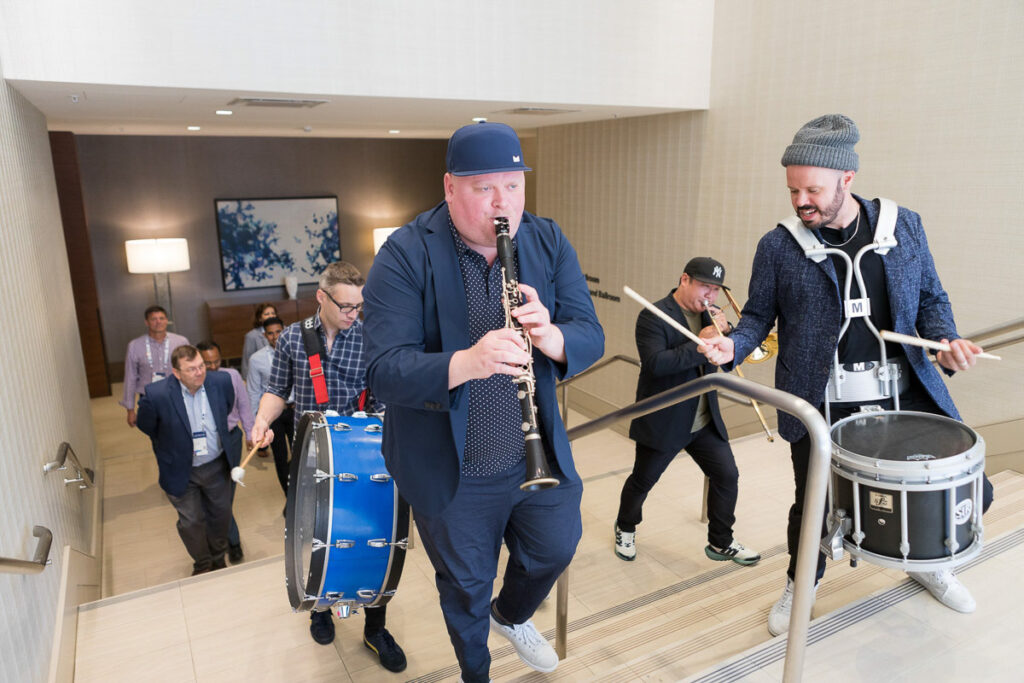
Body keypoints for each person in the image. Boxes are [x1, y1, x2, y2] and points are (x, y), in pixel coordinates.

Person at [698, 114, 994, 636]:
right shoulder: (779, 245)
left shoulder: (905, 227)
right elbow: (755, 318)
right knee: (814, 503)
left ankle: (930, 565)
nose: (800, 201)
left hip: (905, 394)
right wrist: (731, 347)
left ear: (848, 180)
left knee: (945, 486)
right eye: (793, 190)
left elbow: (931, 299)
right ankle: (800, 584)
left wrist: (947, 342)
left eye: (813, 189)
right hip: (820, 402)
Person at [362, 121, 604, 682]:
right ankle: (477, 672)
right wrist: (465, 363)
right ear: (450, 188)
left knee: (556, 547)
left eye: (514, 186)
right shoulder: (404, 253)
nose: (504, 204)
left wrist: (552, 338)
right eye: (484, 188)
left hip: (532, 452)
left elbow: (589, 331)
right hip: (454, 468)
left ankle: (512, 615)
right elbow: (383, 371)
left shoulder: (546, 240)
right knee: (466, 585)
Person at [250, 262, 405, 673]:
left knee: (375, 537)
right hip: (313, 455)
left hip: (366, 451)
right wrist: (263, 421)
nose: (355, 313)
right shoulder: (291, 339)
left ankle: (375, 627)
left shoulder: (372, 336)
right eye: (346, 306)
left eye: (359, 305)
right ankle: (321, 608)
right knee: (313, 533)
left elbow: (387, 394)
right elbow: (277, 390)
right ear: (322, 297)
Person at [614, 257, 760, 567]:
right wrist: (701, 342)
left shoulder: (713, 318)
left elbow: (724, 357)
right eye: (705, 287)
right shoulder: (654, 315)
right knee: (643, 480)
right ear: (685, 280)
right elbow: (656, 364)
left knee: (727, 475)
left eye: (716, 290)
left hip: (704, 418)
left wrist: (728, 335)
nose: (711, 296)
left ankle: (720, 542)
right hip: (666, 418)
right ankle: (625, 527)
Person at [136, 345, 236, 575]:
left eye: (201, 366)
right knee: (191, 521)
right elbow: (146, 425)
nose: (200, 372)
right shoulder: (157, 394)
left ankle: (219, 559)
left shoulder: (221, 382)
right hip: (181, 469)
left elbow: (227, 409)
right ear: (177, 373)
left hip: (216, 465)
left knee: (221, 515)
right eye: (191, 369)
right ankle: (202, 563)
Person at [197, 341, 254, 564]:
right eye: (206, 363)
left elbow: (244, 406)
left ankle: (230, 542)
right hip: (204, 444)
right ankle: (230, 542)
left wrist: (250, 433)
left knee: (224, 496)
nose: (212, 367)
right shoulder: (194, 381)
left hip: (230, 439)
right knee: (214, 498)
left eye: (216, 361)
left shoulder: (230, 376)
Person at [245, 316, 293, 495]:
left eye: (278, 331)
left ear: (284, 330)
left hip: (295, 409)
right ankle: (288, 494)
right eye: (270, 333)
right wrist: (252, 425)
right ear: (265, 336)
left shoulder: (297, 351)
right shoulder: (256, 359)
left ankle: (300, 489)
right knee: (280, 457)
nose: (275, 336)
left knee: (302, 453)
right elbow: (253, 392)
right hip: (274, 414)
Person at [121, 305, 189, 427]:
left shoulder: (181, 342)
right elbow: (130, 378)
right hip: (148, 398)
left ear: (167, 320)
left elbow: (189, 370)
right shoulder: (135, 345)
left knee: (180, 429)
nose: (158, 322)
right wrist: (130, 410)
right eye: (154, 319)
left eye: (162, 318)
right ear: (146, 322)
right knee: (155, 433)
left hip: (176, 394)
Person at [241, 302, 278, 379]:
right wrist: (245, 380)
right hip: (261, 376)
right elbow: (246, 361)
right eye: (267, 314)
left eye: (273, 313)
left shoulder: (284, 329)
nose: (271, 316)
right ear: (260, 318)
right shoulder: (252, 336)